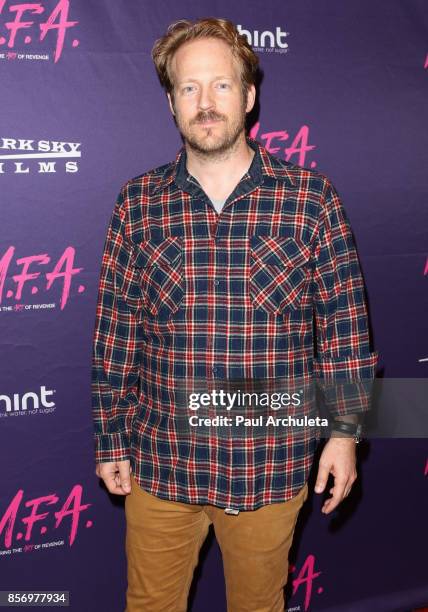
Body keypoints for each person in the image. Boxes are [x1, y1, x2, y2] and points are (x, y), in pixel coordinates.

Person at [91, 17, 378, 612]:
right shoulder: (138, 203)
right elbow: (116, 334)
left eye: (221, 86)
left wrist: (345, 436)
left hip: (268, 464)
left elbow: (346, 332)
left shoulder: (311, 199)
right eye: (189, 88)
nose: (205, 103)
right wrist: (108, 437)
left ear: (249, 96)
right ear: (171, 102)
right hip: (161, 460)